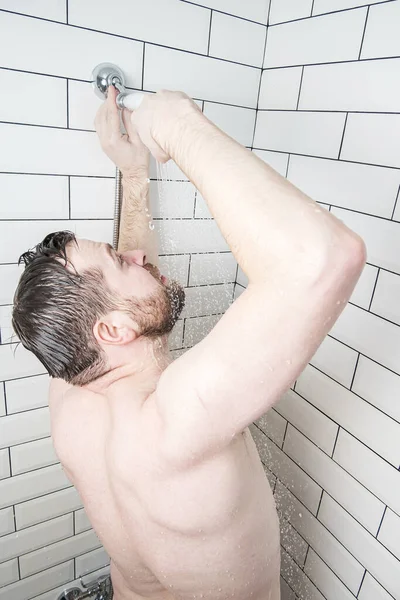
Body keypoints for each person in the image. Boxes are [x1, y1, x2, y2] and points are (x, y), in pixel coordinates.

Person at [12, 85, 367, 600]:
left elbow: (124, 295)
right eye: (119, 262)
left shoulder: (70, 390)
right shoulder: (179, 420)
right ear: (113, 332)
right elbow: (325, 257)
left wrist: (133, 174)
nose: (135, 257)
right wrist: (178, 124)